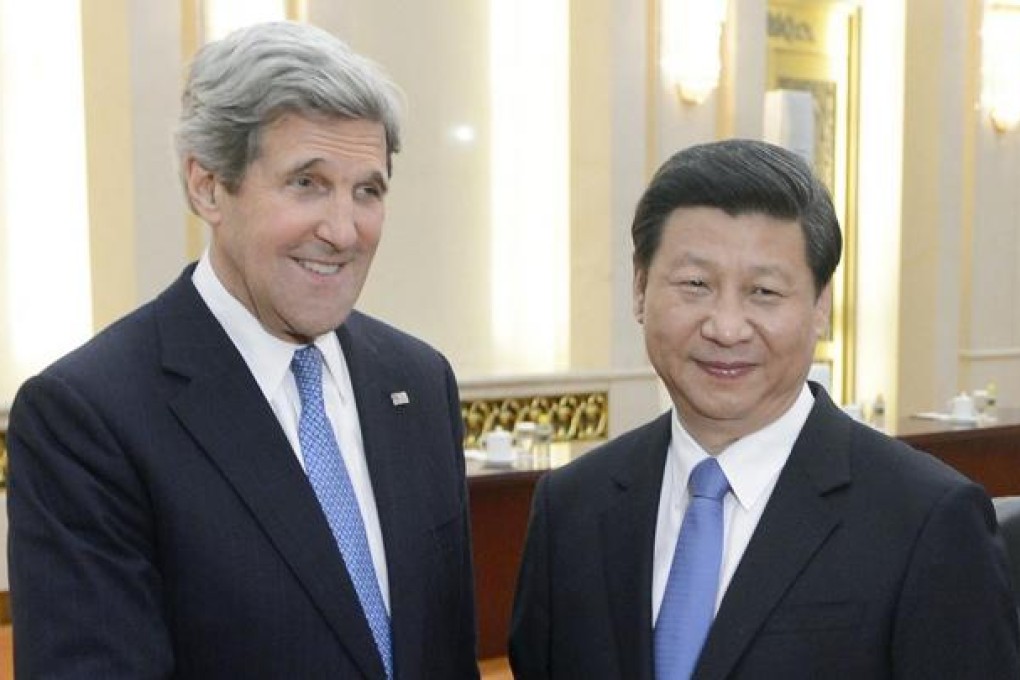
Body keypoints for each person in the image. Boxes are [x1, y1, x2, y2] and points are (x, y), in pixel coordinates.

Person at [7, 21, 478, 678]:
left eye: (367, 190)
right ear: (207, 186)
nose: (344, 231)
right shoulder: (88, 418)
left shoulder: (419, 382)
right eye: (307, 183)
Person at [509, 139, 1019, 678]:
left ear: (820, 305)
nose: (726, 328)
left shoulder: (926, 518)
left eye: (764, 292)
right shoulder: (571, 507)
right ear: (640, 289)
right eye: (696, 284)